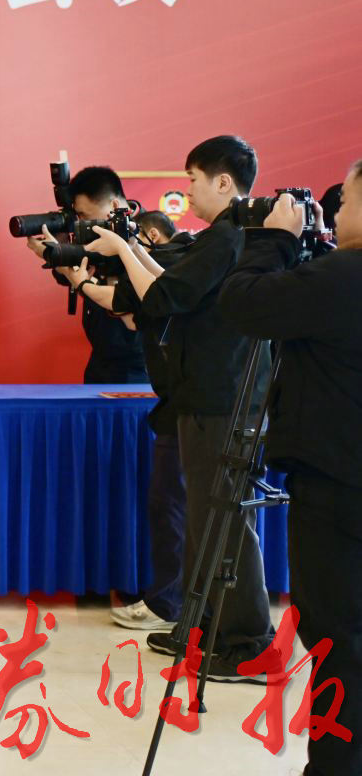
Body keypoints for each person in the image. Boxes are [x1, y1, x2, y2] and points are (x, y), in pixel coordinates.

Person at [85, 135, 275, 681]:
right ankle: (202, 626)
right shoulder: (220, 237)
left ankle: (251, 644)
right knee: (204, 517)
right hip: (202, 395)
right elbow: (172, 283)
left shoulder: (232, 237)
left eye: (193, 179)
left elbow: (164, 297)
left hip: (223, 398)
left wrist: (124, 250)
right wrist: (125, 249)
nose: (187, 190)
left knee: (226, 521)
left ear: (223, 182)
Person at [217, 163, 362, 776]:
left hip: (338, 482)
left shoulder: (344, 277)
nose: (339, 209)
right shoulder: (336, 276)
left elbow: (243, 305)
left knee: (338, 639)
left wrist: (273, 240)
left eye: (347, 199)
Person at [68, 209, 196, 633]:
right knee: (169, 504)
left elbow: (135, 299)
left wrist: (106, 262)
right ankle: (174, 601)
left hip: (194, 402)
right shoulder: (170, 266)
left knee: (174, 505)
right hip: (177, 402)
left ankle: (170, 604)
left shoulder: (181, 261)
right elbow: (128, 312)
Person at [25, 165, 147, 384]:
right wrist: (59, 251)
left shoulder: (147, 234)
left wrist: (63, 263)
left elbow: (128, 297)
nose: (80, 223)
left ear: (114, 206)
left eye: (84, 215)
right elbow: (70, 277)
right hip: (100, 360)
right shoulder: (95, 230)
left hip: (140, 365)